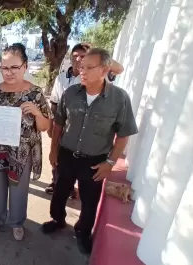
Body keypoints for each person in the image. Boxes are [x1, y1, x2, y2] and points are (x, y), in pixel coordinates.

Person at [41, 48, 138, 254]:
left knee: (89, 200)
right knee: (60, 191)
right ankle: (57, 219)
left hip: (95, 161)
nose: (81, 71)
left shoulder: (119, 99)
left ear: (103, 70)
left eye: (88, 67)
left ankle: (83, 231)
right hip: (67, 155)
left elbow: (123, 135)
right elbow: (58, 125)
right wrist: (53, 150)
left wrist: (109, 163)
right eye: (80, 66)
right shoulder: (70, 94)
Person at [0, 43, 52, 241]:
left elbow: (45, 126)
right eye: (5, 67)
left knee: (19, 189)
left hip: (23, 153)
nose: (8, 72)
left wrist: (37, 112)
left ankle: (17, 222)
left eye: (14, 67)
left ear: (25, 66)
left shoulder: (35, 94)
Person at [45, 43, 125, 195]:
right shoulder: (62, 77)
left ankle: (73, 189)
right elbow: (54, 102)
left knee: (82, 165)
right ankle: (58, 184)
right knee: (59, 159)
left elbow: (119, 69)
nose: (78, 59)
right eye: (75, 56)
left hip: (85, 129)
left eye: (83, 56)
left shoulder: (100, 74)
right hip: (64, 126)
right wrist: (52, 125)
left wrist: (96, 53)